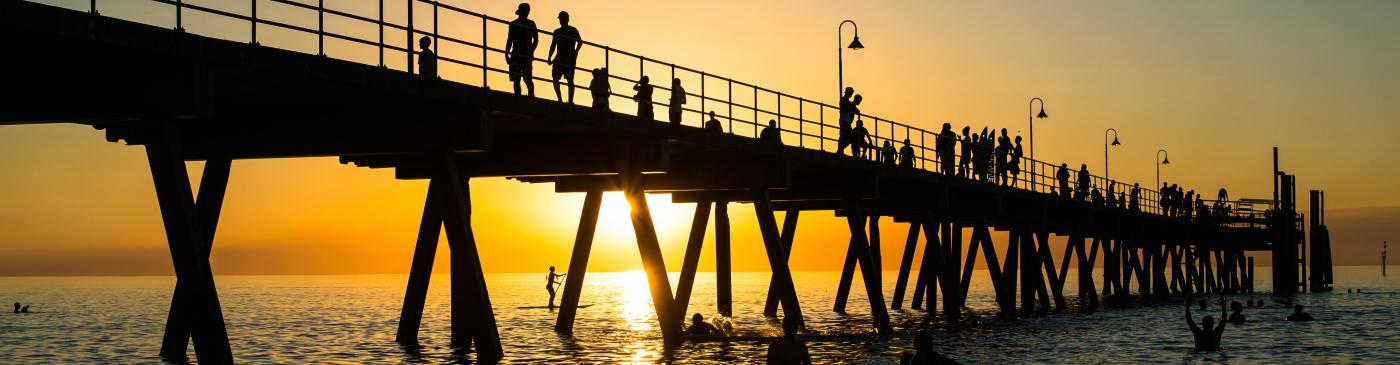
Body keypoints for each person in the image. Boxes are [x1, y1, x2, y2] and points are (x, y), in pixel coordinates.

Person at [547, 11, 583, 104]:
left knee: (570, 80)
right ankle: (559, 99)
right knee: (555, 78)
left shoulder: (573, 30)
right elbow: (553, 45)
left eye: (563, 18)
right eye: (560, 18)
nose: (561, 20)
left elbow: (580, 42)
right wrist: (549, 57)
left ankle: (570, 101)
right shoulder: (557, 31)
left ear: (567, 19)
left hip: (569, 58)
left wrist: (575, 51)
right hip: (559, 57)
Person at [505, 3, 539, 96]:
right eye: (525, 10)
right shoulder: (513, 24)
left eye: (528, 10)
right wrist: (506, 54)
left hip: (525, 55)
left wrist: (531, 51)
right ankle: (518, 97)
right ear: (521, 11)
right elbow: (510, 40)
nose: (527, 12)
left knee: (527, 79)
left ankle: (531, 96)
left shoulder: (531, 23)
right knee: (516, 79)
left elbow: (536, 40)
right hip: (516, 54)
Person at [836, 88, 857, 155]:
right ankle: (840, 150)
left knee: (843, 136)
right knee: (848, 137)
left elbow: (850, 106)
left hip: (845, 120)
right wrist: (853, 109)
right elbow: (848, 107)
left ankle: (840, 151)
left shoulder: (846, 100)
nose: (851, 95)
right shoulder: (844, 99)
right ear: (848, 93)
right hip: (844, 120)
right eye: (851, 93)